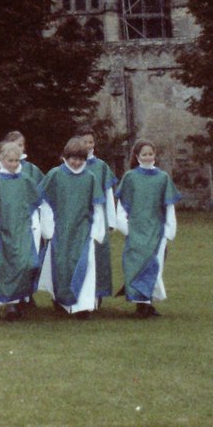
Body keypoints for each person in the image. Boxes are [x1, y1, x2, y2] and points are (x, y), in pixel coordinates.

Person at [37, 137, 105, 318]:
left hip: (83, 229)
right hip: (60, 228)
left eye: (80, 159)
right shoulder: (55, 175)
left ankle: (82, 306)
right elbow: (45, 202)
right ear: (65, 157)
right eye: (73, 158)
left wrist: (97, 230)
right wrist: (48, 228)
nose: (76, 162)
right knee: (61, 266)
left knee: (83, 265)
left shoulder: (90, 178)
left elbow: (97, 206)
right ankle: (61, 301)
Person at [115, 139, 180, 317]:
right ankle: (139, 303)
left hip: (155, 230)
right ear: (137, 156)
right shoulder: (130, 177)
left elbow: (169, 206)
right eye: (144, 154)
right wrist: (126, 228)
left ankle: (147, 302)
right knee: (135, 266)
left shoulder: (162, 178)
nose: (148, 157)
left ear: (155, 155)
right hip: (136, 230)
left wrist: (168, 231)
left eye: (151, 154)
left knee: (153, 266)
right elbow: (122, 206)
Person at [0, 140, 43, 321]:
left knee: (29, 264)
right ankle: (11, 305)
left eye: (17, 161)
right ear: (1, 160)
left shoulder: (25, 179)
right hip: (4, 231)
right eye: (10, 161)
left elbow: (35, 202)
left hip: (23, 229)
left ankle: (21, 298)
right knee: (8, 267)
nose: (14, 164)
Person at [76, 123, 117, 304]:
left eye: (91, 142)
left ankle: (97, 293)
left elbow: (108, 194)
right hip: (78, 218)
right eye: (84, 141)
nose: (88, 145)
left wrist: (111, 220)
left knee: (98, 255)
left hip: (97, 217)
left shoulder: (101, 166)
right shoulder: (73, 164)